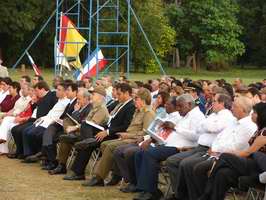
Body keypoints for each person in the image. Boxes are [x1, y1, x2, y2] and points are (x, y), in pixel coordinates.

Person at [174, 96, 257, 200]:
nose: (231, 108)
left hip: (228, 158)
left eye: (235, 106)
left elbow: (236, 146)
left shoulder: (248, 126)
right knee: (188, 165)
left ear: (243, 109)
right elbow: (220, 137)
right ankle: (193, 196)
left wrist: (216, 149)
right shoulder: (234, 121)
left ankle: (202, 197)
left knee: (196, 167)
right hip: (215, 153)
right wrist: (214, 147)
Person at [133, 94, 205, 200]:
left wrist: (175, 127)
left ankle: (150, 192)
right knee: (140, 153)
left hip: (182, 148)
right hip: (169, 144)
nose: (178, 109)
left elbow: (196, 137)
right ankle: (147, 189)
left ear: (189, 104)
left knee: (149, 154)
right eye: (178, 106)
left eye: (181, 106)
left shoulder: (198, 116)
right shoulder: (185, 115)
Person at [165, 93, 235, 200]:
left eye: (215, 101)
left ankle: (189, 196)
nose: (212, 104)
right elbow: (200, 128)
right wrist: (207, 126)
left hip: (210, 150)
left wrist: (206, 125)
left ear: (221, 103)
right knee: (173, 161)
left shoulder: (227, 116)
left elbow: (213, 128)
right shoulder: (213, 115)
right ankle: (181, 195)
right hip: (200, 147)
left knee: (186, 164)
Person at [85, 88, 155, 187]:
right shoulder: (138, 111)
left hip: (134, 140)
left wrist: (128, 135)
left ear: (143, 100)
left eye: (137, 99)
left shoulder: (148, 113)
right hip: (127, 137)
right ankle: (116, 174)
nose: (134, 101)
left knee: (110, 147)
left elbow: (146, 134)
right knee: (105, 144)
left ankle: (99, 177)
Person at [199, 102, 266, 200]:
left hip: (258, 168)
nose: (251, 114)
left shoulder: (264, 133)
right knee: (223, 173)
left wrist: (230, 154)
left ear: (262, 115)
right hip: (251, 163)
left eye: (255, 112)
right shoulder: (259, 130)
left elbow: (248, 152)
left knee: (225, 156)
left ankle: (207, 193)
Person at [48, 88, 92, 175]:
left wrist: (76, 115)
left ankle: (61, 165)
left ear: (86, 99)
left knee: (65, 130)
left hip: (81, 132)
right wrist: (76, 111)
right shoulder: (80, 107)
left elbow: (83, 123)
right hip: (73, 131)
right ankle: (61, 166)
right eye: (77, 99)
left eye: (79, 99)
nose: (78, 101)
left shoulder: (89, 108)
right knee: (65, 125)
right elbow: (72, 119)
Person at [22, 82, 69, 162]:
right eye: (57, 89)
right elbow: (50, 113)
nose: (56, 91)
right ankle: (35, 154)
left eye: (59, 90)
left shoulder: (66, 102)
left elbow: (59, 117)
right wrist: (41, 118)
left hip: (51, 124)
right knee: (27, 131)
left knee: (33, 133)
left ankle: (40, 154)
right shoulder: (59, 100)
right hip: (45, 120)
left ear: (65, 92)